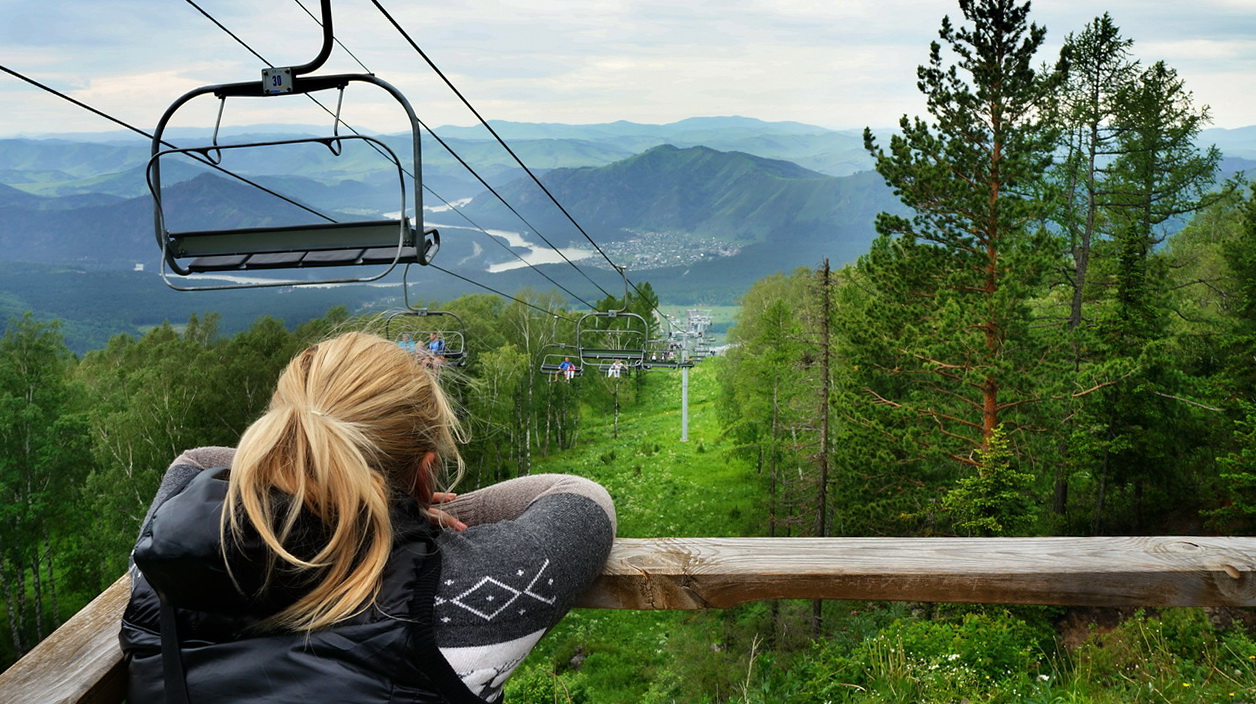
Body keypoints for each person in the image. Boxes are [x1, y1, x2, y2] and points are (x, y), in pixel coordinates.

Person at [119, 332, 615, 703]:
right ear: (424, 467)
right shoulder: (467, 596)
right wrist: (407, 512)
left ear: (277, 434)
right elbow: (579, 497)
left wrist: (329, 482)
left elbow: (199, 461)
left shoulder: (161, 561)